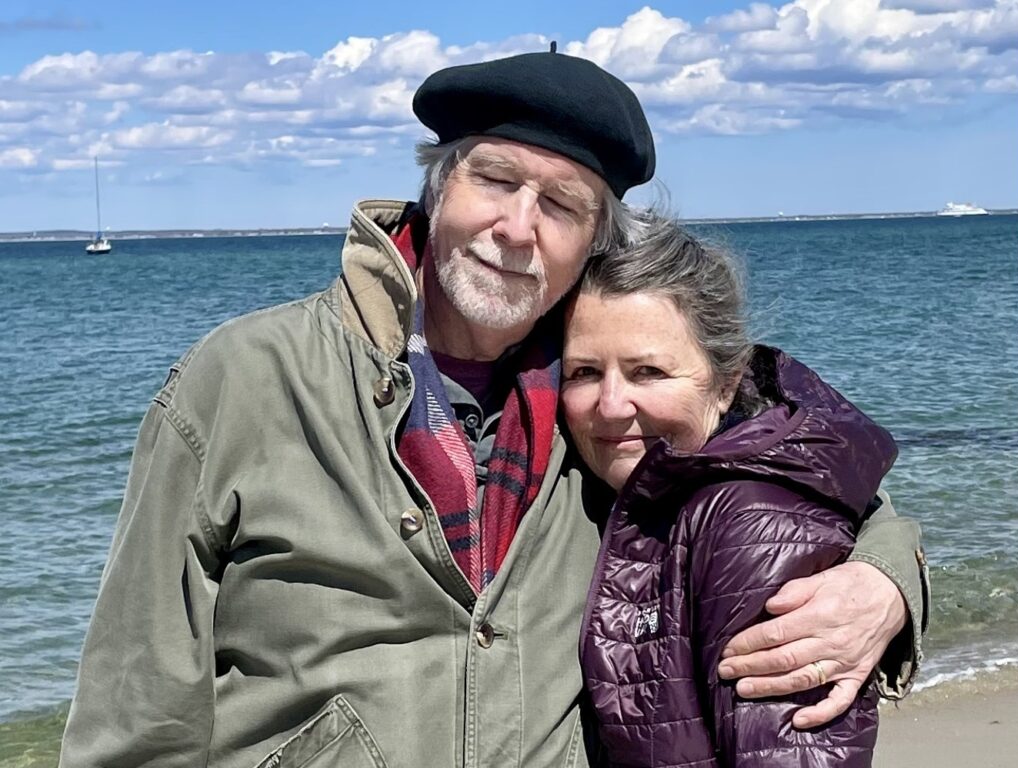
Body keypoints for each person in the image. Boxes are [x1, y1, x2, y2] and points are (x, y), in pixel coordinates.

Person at [59, 51, 925, 768]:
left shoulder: (602, 402)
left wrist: (888, 581)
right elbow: (136, 712)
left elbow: (800, 462)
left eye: (560, 205)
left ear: (594, 241)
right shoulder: (247, 377)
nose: (517, 226)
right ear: (439, 189)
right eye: (496, 180)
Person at [563, 214, 897, 766]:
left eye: (648, 371)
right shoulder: (634, 496)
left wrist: (891, 572)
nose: (611, 405)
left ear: (724, 384)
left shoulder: (754, 525)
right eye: (584, 372)